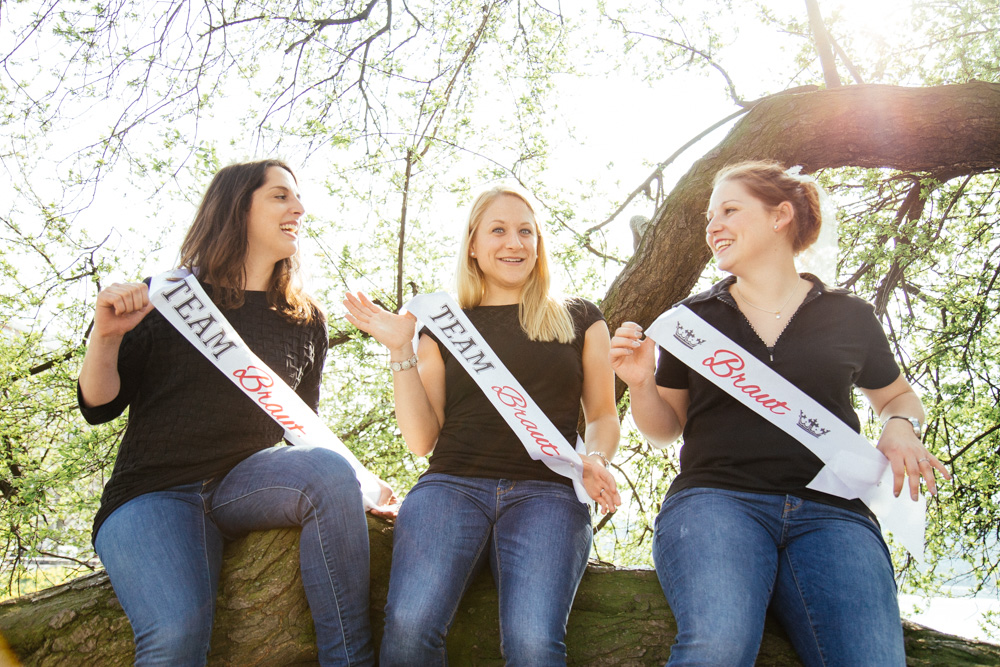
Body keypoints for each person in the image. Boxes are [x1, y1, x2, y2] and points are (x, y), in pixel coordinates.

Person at [610, 160, 951, 667]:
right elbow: (664, 430)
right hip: (718, 502)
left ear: (780, 216)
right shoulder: (692, 322)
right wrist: (640, 383)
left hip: (834, 515)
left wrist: (901, 429)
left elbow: (899, 399)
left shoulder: (849, 315)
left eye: (728, 210)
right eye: (709, 218)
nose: (712, 227)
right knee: (717, 648)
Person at [78, 159, 394, 667]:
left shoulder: (304, 319)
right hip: (153, 495)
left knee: (329, 471)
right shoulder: (166, 299)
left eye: (298, 197)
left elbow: (301, 428)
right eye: (280, 197)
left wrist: (357, 488)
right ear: (236, 208)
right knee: (176, 635)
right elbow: (99, 405)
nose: (299, 208)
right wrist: (107, 335)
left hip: (242, 486)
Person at [343, 185, 621, 666]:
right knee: (409, 626)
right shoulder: (444, 325)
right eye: (498, 230)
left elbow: (601, 415)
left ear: (538, 244)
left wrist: (594, 459)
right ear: (473, 243)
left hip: (549, 494)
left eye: (525, 232)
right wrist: (400, 350)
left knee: (534, 643)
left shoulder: (580, 318)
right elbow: (421, 439)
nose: (514, 243)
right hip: (452, 486)